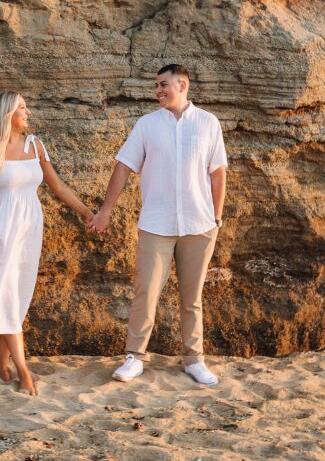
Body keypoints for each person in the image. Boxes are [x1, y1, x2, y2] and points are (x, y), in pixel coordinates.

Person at [88, 64, 227, 385]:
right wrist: (106, 209)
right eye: (156, 86)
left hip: (200, 224)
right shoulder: (147, 125)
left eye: (164, 85)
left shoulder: (208, 123)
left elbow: (218, 172)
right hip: (156, 224)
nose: (158, 91)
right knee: (145, 291)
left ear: (183, 85)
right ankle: (134, 357)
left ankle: (194, 360)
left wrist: (217, 217)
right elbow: (123, 167)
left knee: (192, 297)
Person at [0, 91, 94, 395]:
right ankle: (24, 372)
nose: (28, 112)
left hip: (28, 228)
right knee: (5, 296)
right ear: (7, 113)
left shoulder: (35, 145)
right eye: (22, 108)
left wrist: (87, 211)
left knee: (16, 295)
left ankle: (1, 365)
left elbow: (57, 185)